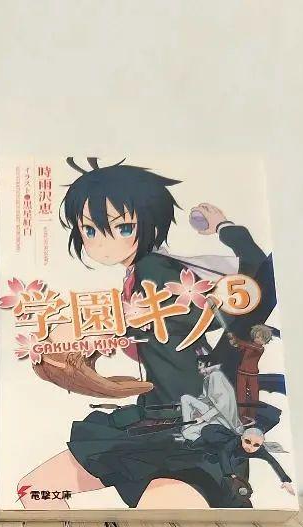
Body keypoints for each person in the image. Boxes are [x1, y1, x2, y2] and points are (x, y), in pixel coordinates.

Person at [17, 160, 277, 509]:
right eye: (90, 231)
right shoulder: (141, 274)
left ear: (149, 221)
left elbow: (249, 288)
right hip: (156, 422)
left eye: (122, 228)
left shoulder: (155, 271)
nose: (103, 244)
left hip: (191, 433)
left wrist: (226, 228)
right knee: (35, 489)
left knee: (158, 516)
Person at [229, 323, 273, 425]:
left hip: (253, 375)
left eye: (261, 338)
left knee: (254, 397)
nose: (257, 339)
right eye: (256, 337)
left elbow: (247, 345)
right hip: (241, 374)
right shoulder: (249, 345)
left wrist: (236, 338)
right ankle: (242, 418)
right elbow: (240, 347)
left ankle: (252, 417)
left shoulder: (260, 348)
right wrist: (234, 342)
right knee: (241, 396)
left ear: (265, 340)